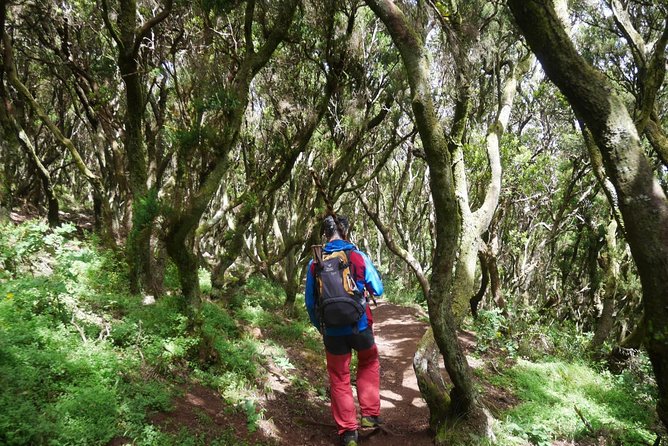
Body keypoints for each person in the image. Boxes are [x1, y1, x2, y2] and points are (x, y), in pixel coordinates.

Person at [305, 215, 384, 446]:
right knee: (369, 362)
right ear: (346, 231)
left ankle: (349, 433)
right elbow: (377, 289)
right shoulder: (357, 255)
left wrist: (320, 327)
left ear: (325, 234)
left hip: (332, 331)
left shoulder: (315, 263)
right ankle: (369, 415)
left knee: (339, 377)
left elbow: (311, 303)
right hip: (360, 326)